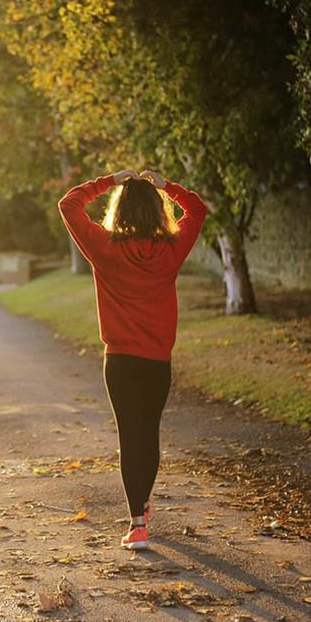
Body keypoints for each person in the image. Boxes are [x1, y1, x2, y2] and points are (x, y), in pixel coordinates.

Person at [57, 168, 208, 550]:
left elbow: (69, 204)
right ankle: (142, 504)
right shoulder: (171, 249)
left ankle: (137, 522)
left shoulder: (104, 247)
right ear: (158, 211)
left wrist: (109, 181)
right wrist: (167, 186)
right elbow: (198, 209)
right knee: (149, 433)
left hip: (120, 361)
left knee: (130, 436)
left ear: (119, 210)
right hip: (157, 360)